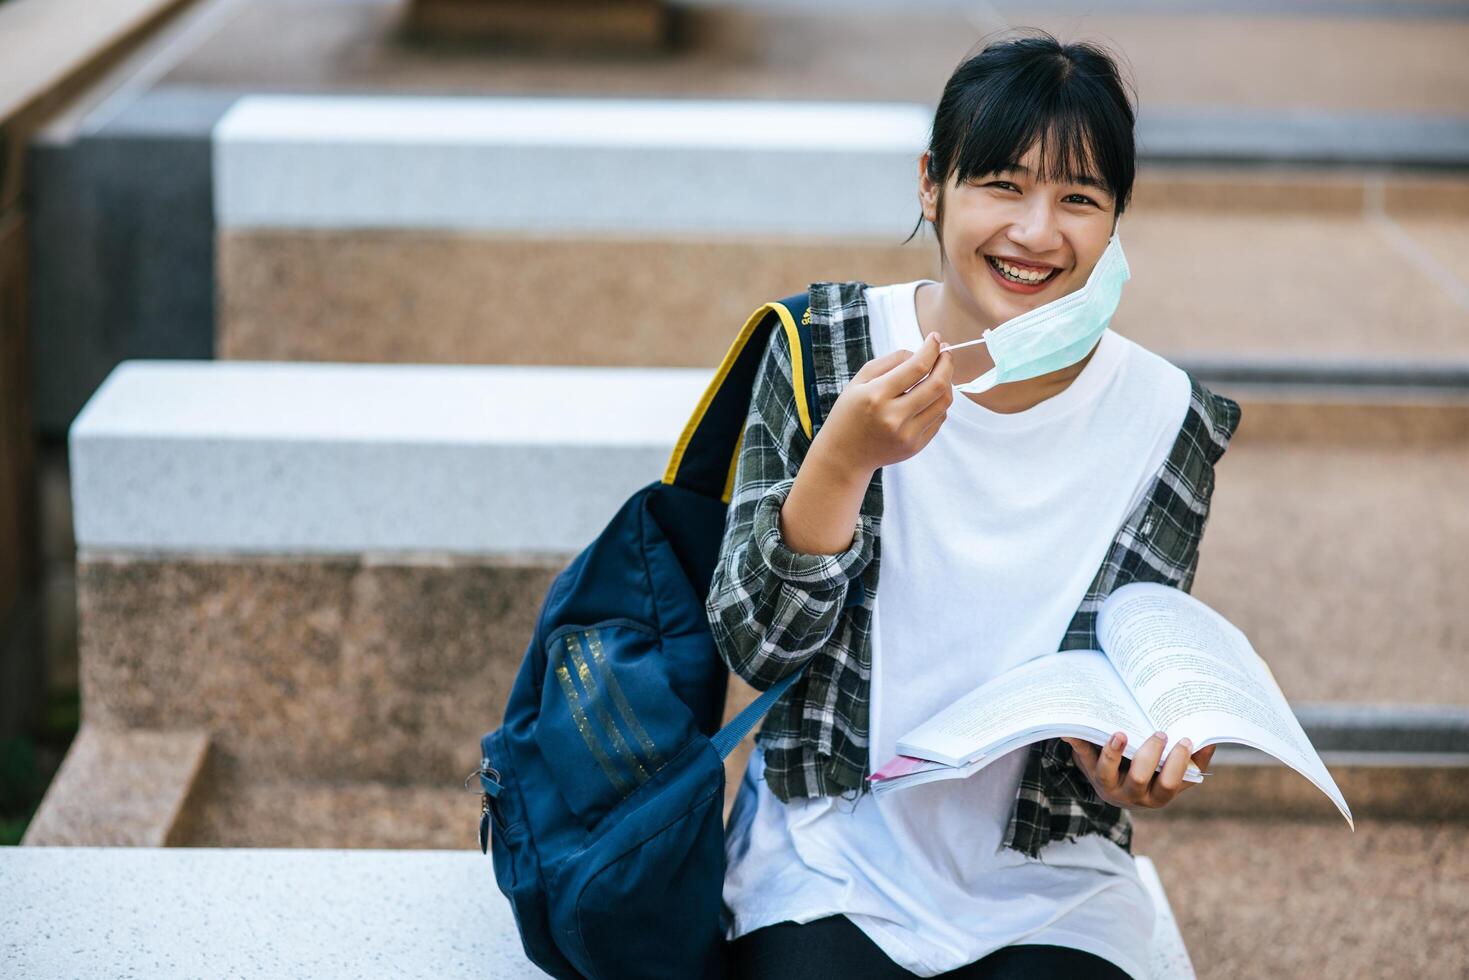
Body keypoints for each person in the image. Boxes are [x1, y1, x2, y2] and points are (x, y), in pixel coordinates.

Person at [705, 31, 1241, 980]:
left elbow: (1133, 677)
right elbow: (755, 650)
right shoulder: (823, 348)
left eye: (1078, 198)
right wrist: (841, 462)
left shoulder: (1167, 418)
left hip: (1048, 875)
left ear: (1115, 218)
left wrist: (1132, 766)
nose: (1035, 232)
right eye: (1001, 183)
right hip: (828, 851)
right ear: (930, 185)